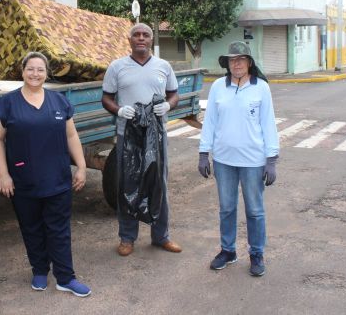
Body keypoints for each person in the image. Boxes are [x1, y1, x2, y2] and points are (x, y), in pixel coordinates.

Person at [0, 51, 91, 298]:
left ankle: (65, 278)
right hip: (24, 180)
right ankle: (39, 270)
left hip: (57, 179)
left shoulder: (59, 101)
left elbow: (71, 135)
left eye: (40, 69)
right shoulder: (8, 103)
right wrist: (3, 174)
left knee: (59, 230)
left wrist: (81, 166)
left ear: (47, 73)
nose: (35, 74)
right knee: (31, 227)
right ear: (22, 71)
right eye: (30, 69)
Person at [198, 41, 279, 277]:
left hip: (253, 161)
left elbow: (268, 123)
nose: (237, 64)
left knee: (255, 210)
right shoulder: (217, 87)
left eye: (241, 59)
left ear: (249, 63)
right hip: (224, 160)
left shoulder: (261, 88)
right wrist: (204, 153)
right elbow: (210, 121)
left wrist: (271, 159)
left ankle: (256, 254)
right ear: (228, 64)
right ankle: (228, 250)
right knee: (226, 208)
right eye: (233, 60)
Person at [101, 22, 182, 257]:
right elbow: (106, 98)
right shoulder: (117, 67)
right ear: (129, 40)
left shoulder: (163, 66)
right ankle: (127, 238)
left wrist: (168, 105)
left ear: (151, 39)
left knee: (159, 183)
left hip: (156, 135)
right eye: (136, 34)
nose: (141, 38)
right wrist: (118, 110)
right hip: (128, 134)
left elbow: (174, 94)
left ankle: (161, 236)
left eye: (145, 35)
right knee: (127, 184)